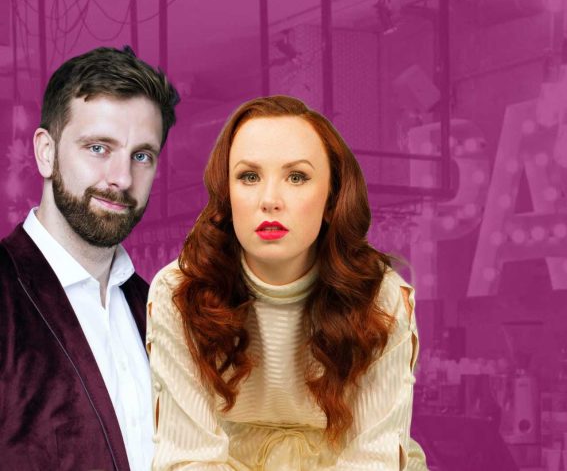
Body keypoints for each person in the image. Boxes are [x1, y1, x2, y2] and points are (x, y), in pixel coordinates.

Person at [147, 95, 428, 470]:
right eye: (249, 177)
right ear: (227, 197)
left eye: (297, 177)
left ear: (331, 199)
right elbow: (189, 459)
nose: (270, 200)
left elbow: (371, 460)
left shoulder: (381, 298)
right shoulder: (180, 293)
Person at [0, 46, 180, 471]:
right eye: (99, 148)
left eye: (141, 156)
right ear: (46, 152)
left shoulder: (160, 309)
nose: (121, 178)